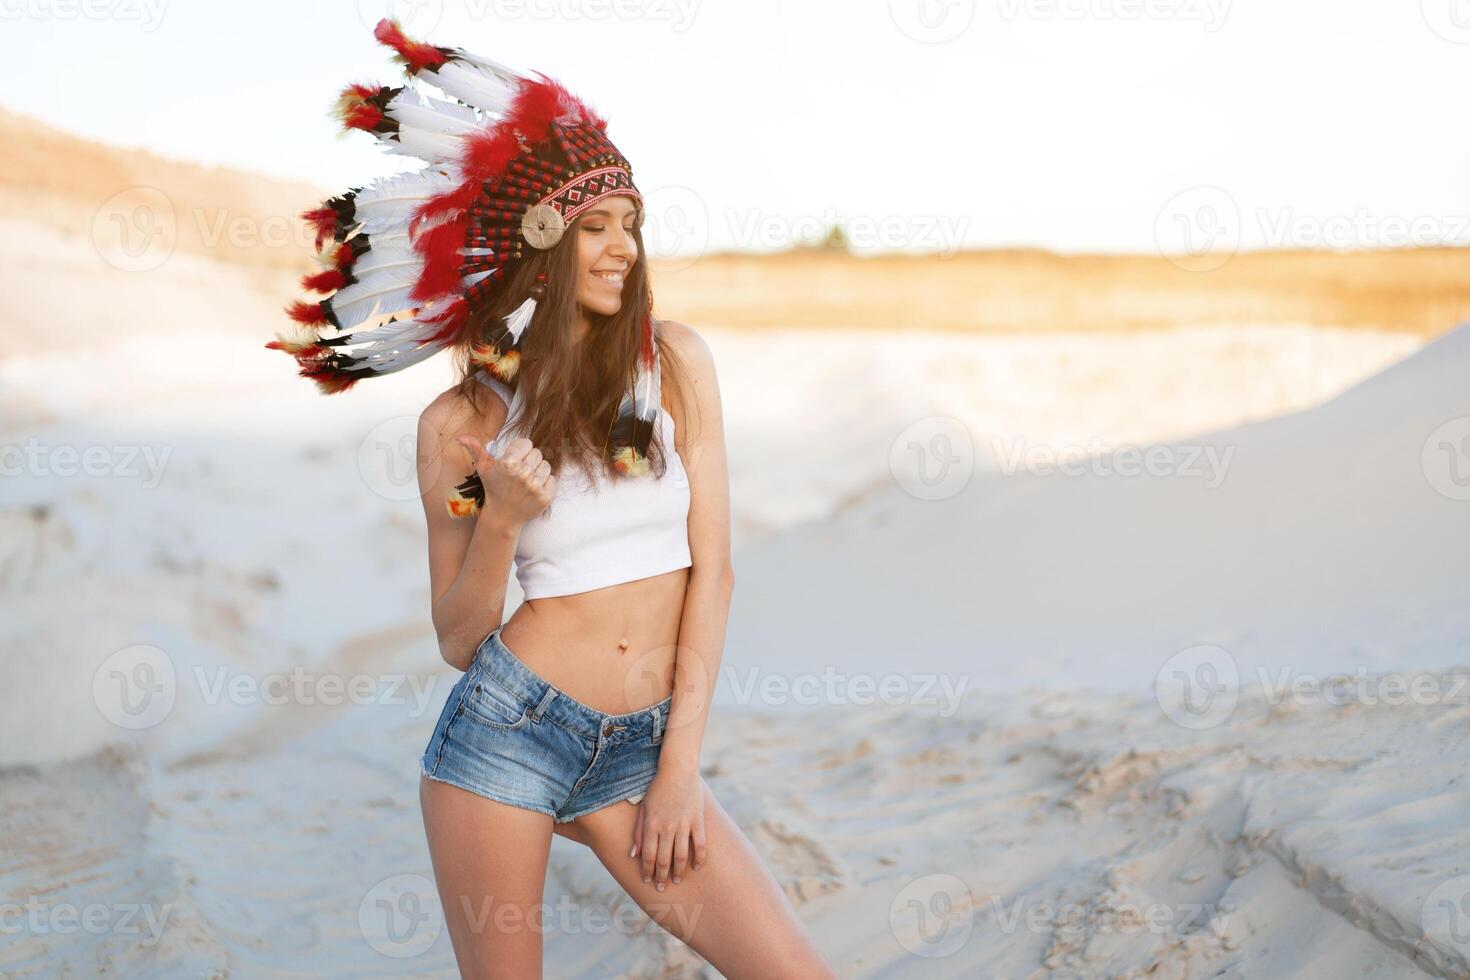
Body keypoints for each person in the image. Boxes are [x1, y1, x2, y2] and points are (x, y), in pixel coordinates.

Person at [267, 19, 836, 978]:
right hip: (508, 737)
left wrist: (680, 770)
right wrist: (498, 522)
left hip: (647, 748)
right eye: (595, 229)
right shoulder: (462, 425)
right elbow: (458, 636)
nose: (622, 250)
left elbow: (716, 573)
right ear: (540, 249)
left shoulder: (676, 366)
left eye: (631, 226)